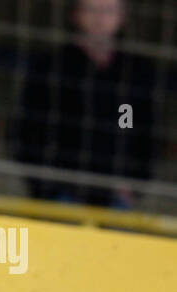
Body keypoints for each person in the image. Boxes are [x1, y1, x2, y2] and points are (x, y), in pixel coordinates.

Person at [10, 0, 157, 208]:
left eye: (108, 11)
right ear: (76, 14)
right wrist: (46, 187)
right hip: (62, 195)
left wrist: (134, 184)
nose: (99, 19)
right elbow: (26, 131)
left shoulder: (133, 72)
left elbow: (137, 130)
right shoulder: (52, 67)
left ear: (122, 16)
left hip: (115, 197)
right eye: (92, 9)